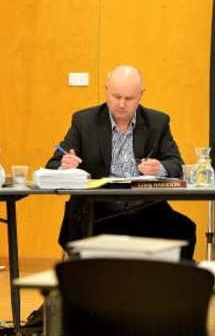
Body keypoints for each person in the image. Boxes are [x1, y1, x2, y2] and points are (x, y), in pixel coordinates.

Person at [46, 65, 197, 260]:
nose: (122, 104)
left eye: (129, 98)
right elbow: (53, 163)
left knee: (184, 231)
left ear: (141, 95)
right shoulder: (84, 121)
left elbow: (176, 163)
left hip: (146, 212)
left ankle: (165, 289)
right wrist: (64, 165)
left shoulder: (157, 122)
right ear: (106, 90)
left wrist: (160, 167)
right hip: (96, 213)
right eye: (116, 97)